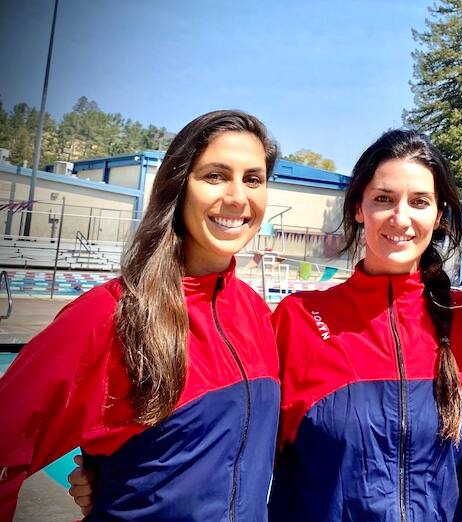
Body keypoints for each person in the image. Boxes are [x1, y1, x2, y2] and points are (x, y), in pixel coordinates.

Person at [0, 110, 281, 521]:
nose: (238, 197)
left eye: (253, 179)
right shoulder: (111, 313)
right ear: (178, 185)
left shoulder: (255, 313)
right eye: (216, 176)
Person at [268, 129, 462, 521]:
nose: (401, 217)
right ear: (357, 208)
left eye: (419, 202)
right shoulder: (297, 319)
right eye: (383, 199)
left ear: (438, 216)